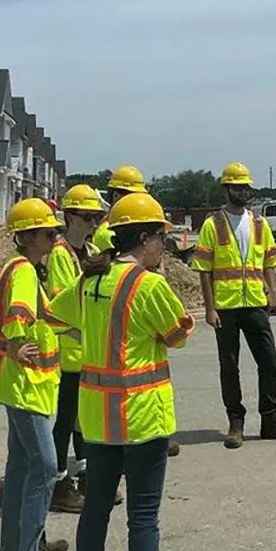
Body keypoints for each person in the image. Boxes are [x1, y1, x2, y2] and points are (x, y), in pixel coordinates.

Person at [49, 192, 199, 551]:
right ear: (147, 238)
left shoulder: (92, 279)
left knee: (95, 508)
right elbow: (177, 336)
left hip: (98, 418)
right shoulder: (147, 284)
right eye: (162, 240)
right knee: (143, 516)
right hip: (142, 417)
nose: (165, 250)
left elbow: (57, 317)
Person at [192, 162, 276, 449]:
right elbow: (204, 269)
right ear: (227, 189)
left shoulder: (258, 222)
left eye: (247, 187)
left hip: (254, 302)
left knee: (269, 360)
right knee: (229, 366)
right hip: (226, 305)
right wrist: (209, 307)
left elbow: (269, 260)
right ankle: (236, 422)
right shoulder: (212, 224)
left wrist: (272, 289)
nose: (245, 192)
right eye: (239, 187)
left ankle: (271, 418)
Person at [0, 198, 71, 551]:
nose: (55, 238)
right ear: (27, 237)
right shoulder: (23, 270)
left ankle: (18, 544)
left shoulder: (22, 267)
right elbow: (18, 313)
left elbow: (42, 313)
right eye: (49, 233)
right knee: (44, 467)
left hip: (20, 385)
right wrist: (15, 344)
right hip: (27, 386)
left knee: (21, 465)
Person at [94, 165, 182, 459]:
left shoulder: (91, 278)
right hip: (139, 411)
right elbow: (178, 334)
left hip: (101, 409)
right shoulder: (111, 234)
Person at [43, 184, 120, 514]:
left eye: (96, 218)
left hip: (87, 352)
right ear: (70, 216)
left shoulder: (88, 251)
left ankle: (87, 475)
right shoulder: (61, 254)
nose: (92, 224)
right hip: (68, 353)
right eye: (87, 218)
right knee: (65, 420)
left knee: (84, 421)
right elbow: (65, 302)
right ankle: (60, 482)